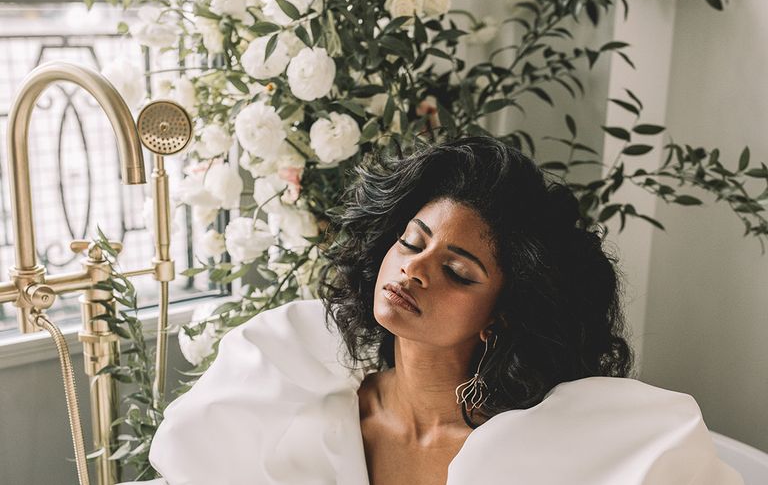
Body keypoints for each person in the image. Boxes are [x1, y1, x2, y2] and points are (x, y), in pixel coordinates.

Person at [124, 135, 742, 484]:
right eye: (411, 242)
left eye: (457, 271)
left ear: (501, 312)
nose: (413, 270)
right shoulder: (293, 408)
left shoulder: (548, 451)